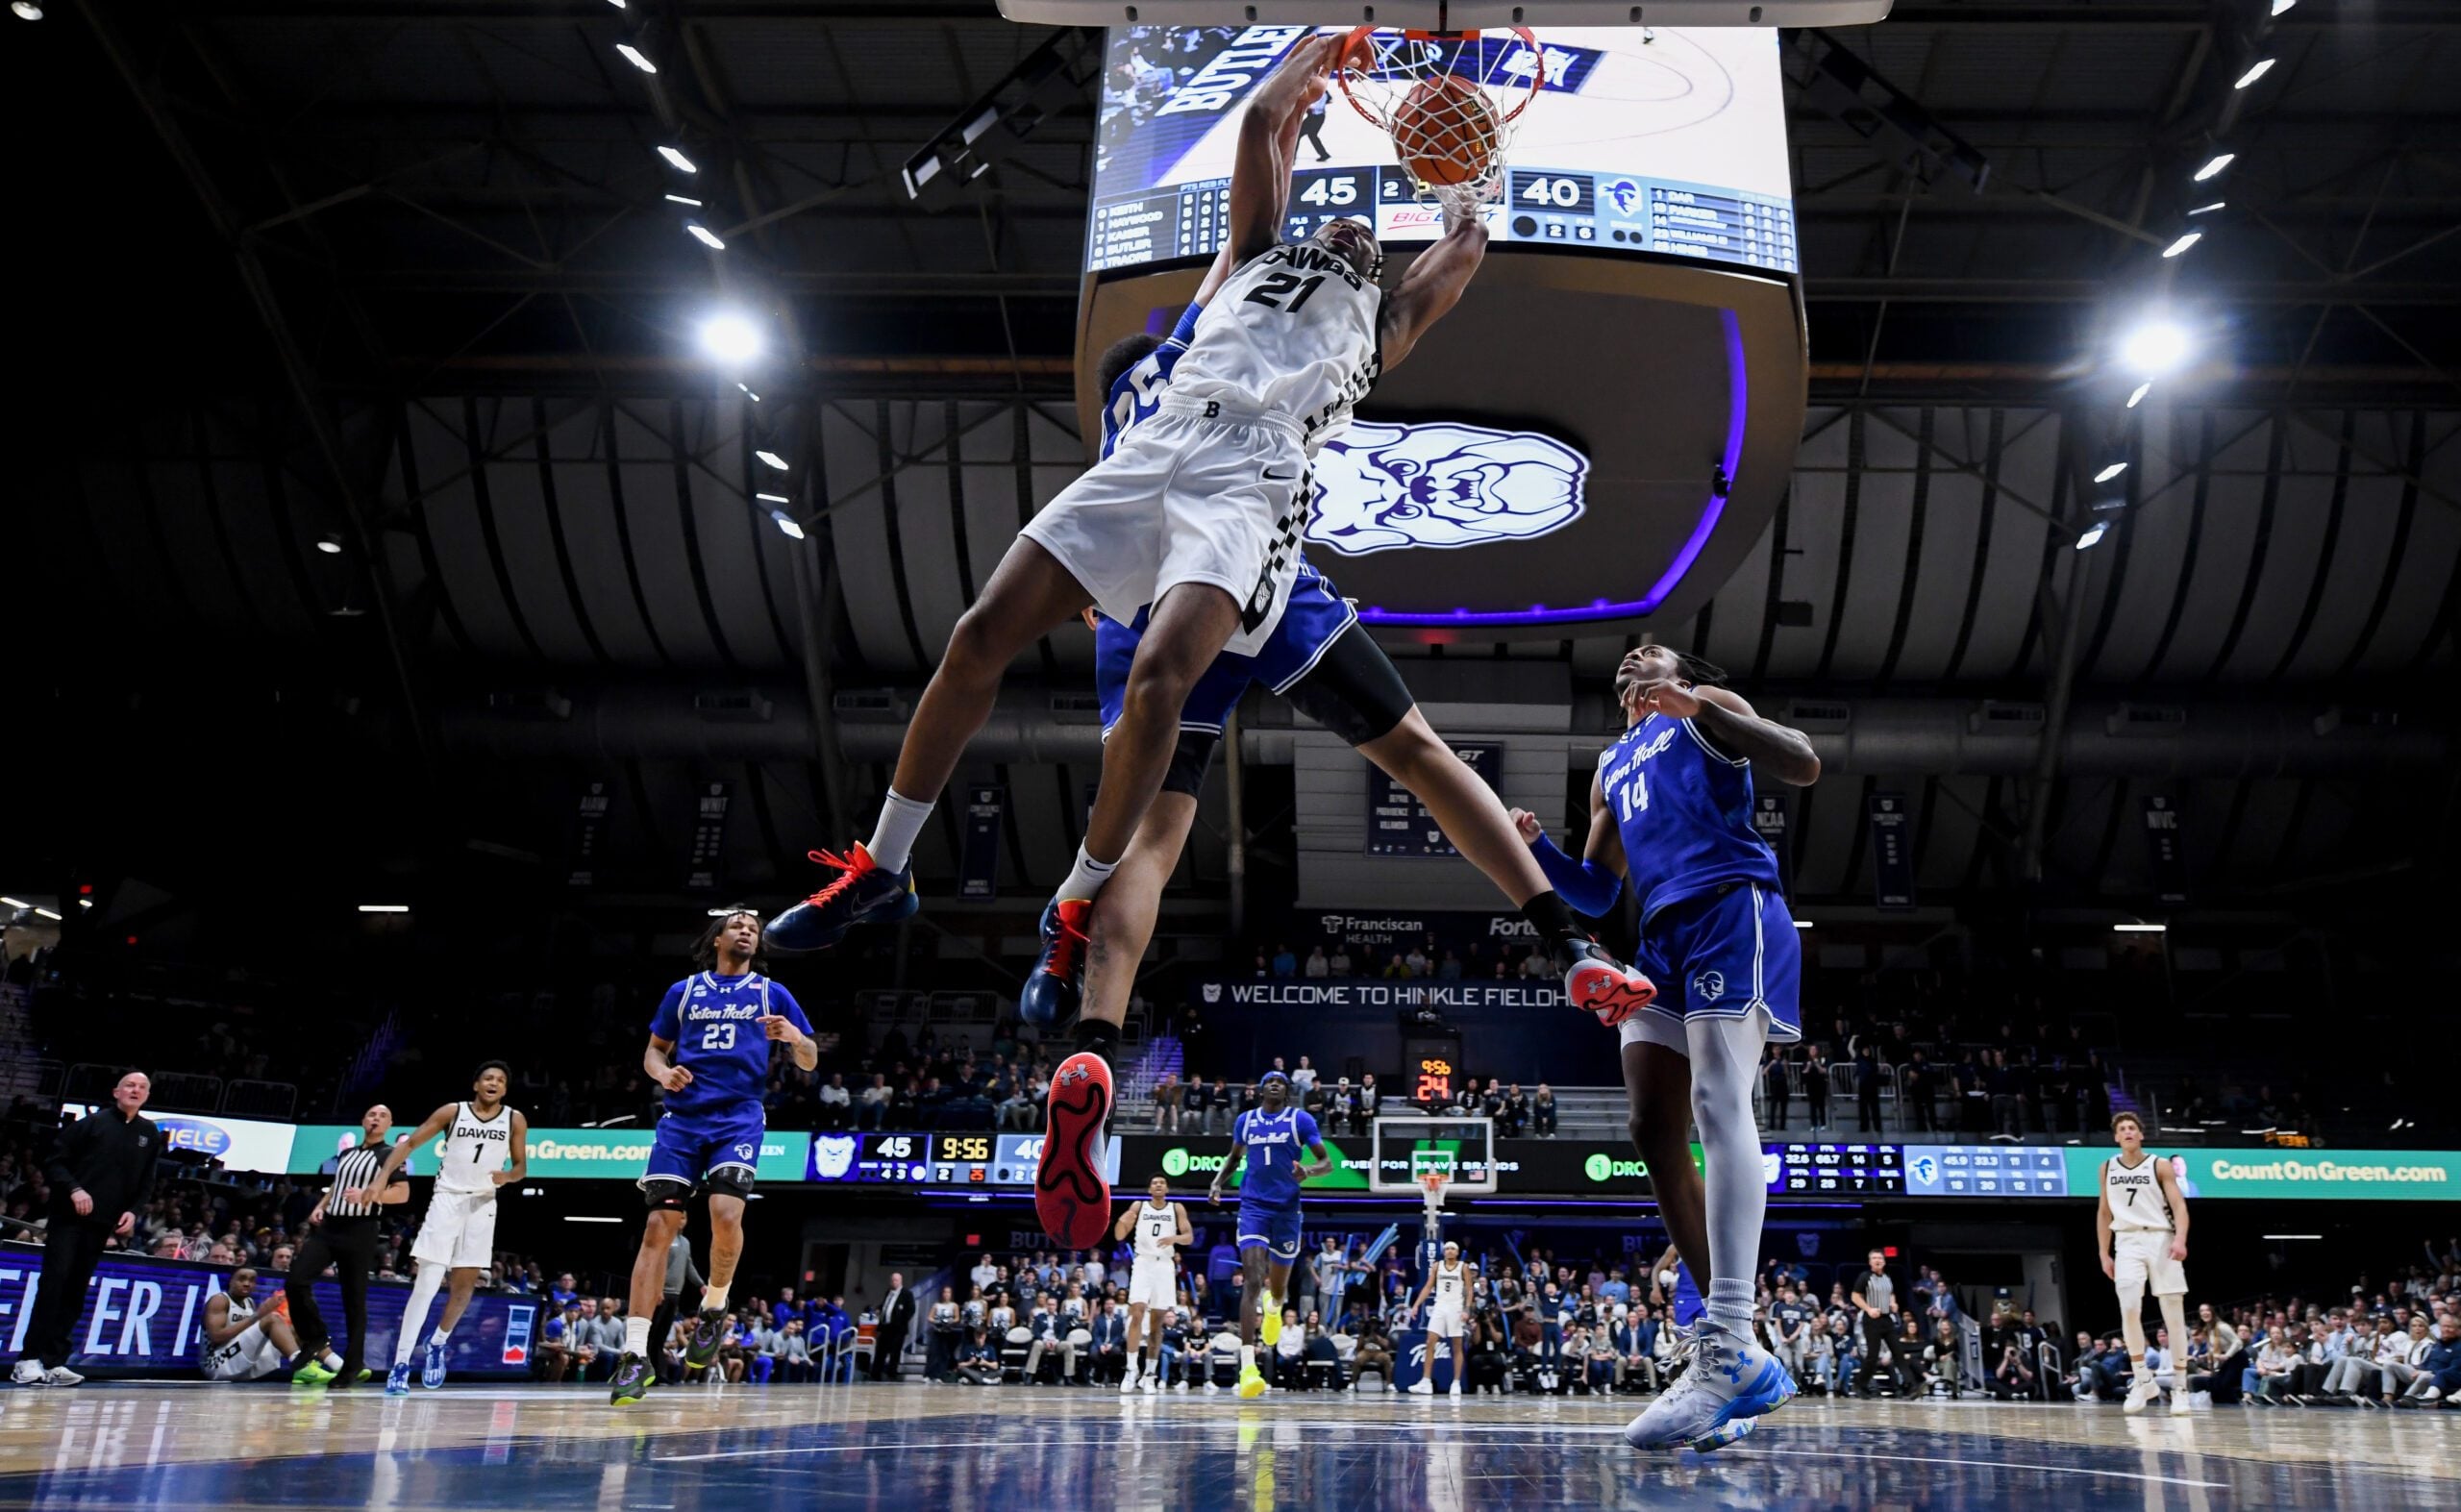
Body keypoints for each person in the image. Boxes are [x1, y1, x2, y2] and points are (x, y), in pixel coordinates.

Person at [1022, 40, 1641, 1250]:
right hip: (1255, 552)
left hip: (1143, 571)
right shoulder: (1367, 326)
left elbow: (1253, 162)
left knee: (1155, 827)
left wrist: (1309, 85)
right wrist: (1467, 181)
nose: (1350, 236)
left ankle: (1094, 1040)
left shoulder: (1206, 317)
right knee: (1413, 748)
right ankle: (1565, 940)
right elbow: (1453, 261)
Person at [1514, 642, 1821, 1450]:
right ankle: (1737, 1354)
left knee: (1720, 1100)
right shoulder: (1611, 763)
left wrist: (1709, 708)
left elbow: (1804, 762)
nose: (1630, 660)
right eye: (1623, 660)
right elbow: (1596, 888)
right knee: (1651, 1124)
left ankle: (1727, 1337)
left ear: (1679, 673)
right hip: (1660, 938)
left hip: (1731, 909)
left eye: (1647, 652)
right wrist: (1538, 851)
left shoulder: (1709, 712)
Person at [609, 907, 816, 1405]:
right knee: (659, 1227)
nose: (748, 930)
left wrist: (792, 1038)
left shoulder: (772, 993)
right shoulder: (683, 991)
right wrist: (662, 1074)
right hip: (682, 1121)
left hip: (738, 1117)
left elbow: (809, 1058)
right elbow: (654, 1052)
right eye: (739, 925)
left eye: (755, 928)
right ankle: (635, 1356)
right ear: (718, 937)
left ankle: (714, 1306)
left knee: (724, 1214)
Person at [348, 1060, 528, 1394]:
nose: (494, 1083)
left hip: (483, 1203)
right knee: (427, 1284)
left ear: (505, 1089)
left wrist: (508, 1176)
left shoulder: (514, 1119)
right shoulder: (452, 1111)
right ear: (476, 1084)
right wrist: (380, 1178)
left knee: (465, 1285)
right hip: (446, 1199)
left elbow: (521, 1167)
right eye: (488, 1077)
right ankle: (400, 1366)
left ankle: (437, 1343)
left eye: (501, 1080)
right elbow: (409, 1144)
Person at [10, 1072, 161, 1388]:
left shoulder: (149, 1132)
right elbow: (54, 1162)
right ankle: (27, 1359)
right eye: (130, 1085)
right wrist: (75, 1189)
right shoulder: (92, 1124)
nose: (136, 1090)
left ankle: (54, 1361)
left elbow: (147, 1180)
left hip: (102, 1224)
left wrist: (133, 1211)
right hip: (68, 1218)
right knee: (54, 1285)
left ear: (147, 1095)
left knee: (75, 1292)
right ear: (116, 1091)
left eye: (142, 1087)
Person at [1207, 1072, 1330, 1399]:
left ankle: (1274, 1306)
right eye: (1269, 1080)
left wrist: (1310, 1171)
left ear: (1287, 1093)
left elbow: (1327, 1162)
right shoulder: (1246, 1121)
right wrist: (1219, 1182)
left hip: (1288, 1211)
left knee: (1277, 1287)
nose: (1275, 1083)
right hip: (1253, 1208)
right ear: (1261, 1089)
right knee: (1251, 1278)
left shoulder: (1299, 1120)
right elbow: (1234, 1158)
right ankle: (1249, 1368)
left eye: (1281, 1082)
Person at [286, 1103, 410, 1387]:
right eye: (371, 1114)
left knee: (353, 1301)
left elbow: (402, 1193)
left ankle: (353, 1365)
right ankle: (315, 1336)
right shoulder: (347, 1154)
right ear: (363, 1121)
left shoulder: (391, 1155)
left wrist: (371, 1195)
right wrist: (321, 1204)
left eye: (382, 1116)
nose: (375, 1119)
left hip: (361, 1230)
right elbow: (339, 1184)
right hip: (330, 1227)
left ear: (389, 1124)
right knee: (296, 1281)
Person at [2097, 1111, 2194, 1416]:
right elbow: (2103, 1212)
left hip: (2161, 1239)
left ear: (2140, 1135)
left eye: (2132, 1128)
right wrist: (2103, 1252)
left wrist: (2180, 1239)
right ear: (2116, 1137)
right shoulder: (2107, 1167)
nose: (2127, 1132)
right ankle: (2142, 1379)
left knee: (2173, 1313)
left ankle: (2180, 1386)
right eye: (2122, 1129)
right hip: (2126, 1241)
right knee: (2127, 1305)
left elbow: (2179, 1205)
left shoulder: (2159, 1164)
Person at [1115, 1173, 1191, 1392]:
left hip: (1165, 1265)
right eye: (1154, 1183)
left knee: (1157, 1322)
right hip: (1143, 1262)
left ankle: (1149, 1374)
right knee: (1137, 1313)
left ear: (1166, 1189)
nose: (1158, 1185)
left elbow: (1189, 1237)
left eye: (1162, 1183)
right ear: (1150, 1189)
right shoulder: (1139, 1206)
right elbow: (1119, 1235)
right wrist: (1123, 1222)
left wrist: (1173, 1238)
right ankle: (1131, 1371)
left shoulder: (1176, 1208)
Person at [1407, 1239, 1476, 1398]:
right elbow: (1428, 1286)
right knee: (1430, 1342)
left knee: (1456, 1346)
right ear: (1444, 1252)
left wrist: (1467, 1310)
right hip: (1440, 1306)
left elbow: (1469, 1290)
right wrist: (1416, 1305)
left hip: (1456, 1307)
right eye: (1447, 1249)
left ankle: (1456, 1382)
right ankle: (1425, 1382)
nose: (1450, 1251)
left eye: (1453, 1248)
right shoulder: (1437, 1266)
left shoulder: (1463, 1267)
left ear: (1457, 1252)